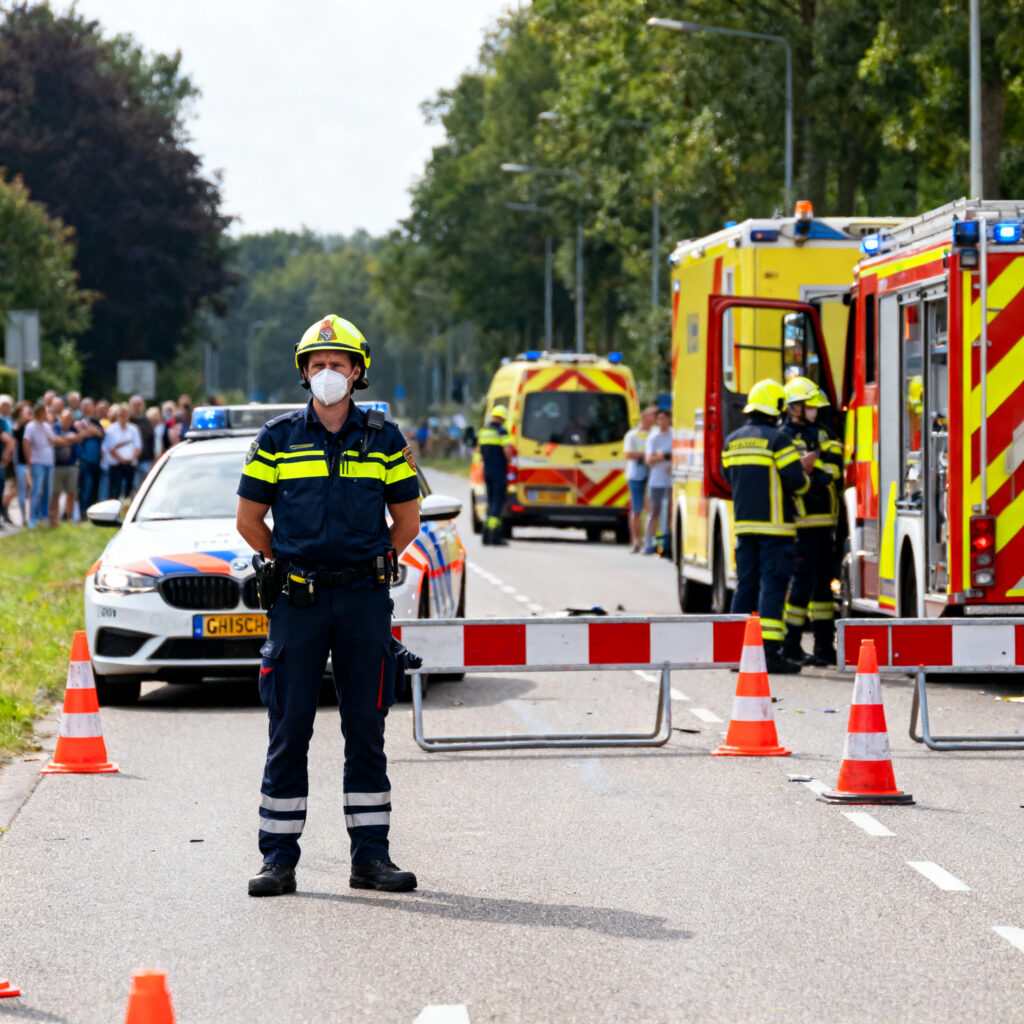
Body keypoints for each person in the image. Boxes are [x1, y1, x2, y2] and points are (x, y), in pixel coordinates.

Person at [236, 313, 421, 898]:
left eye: (337, 365)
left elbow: (407, 520)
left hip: (364, 600)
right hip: (298, 601)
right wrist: (290, 562)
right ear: (304, 374)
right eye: (316, 366)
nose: (326, 374)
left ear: (357, 371)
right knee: (289, 730)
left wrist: (371, 564)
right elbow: (249, 521)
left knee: (365, 729)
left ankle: (372, 859)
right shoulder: (277, 438)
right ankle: (277, 861)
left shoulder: (384, 440)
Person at [722, 378, 809, 674]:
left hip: (744, 528)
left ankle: (739, 652)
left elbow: (726, 477)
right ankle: (769, 654)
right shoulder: (778, 440)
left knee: (745, 587)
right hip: (775, 531)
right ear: (777, 409)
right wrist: (806, 472)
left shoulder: (732, 440)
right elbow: (795, 481)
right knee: (772, 589)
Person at [779, 377, 843, 666]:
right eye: (810, 405)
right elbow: (792, 474)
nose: (815, 410)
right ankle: (791, 645)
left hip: (825, 523)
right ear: (794, 407)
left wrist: (815, 470)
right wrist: (815, 472)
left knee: (823, 591)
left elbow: (835, 467)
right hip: (801, 524)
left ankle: (823, 647)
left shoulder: (824, 433)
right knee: (801, 586)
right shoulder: (785, 436)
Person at [477, 405, 513, 546]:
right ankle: (494, 536)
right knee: (497, 503)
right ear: (502, 418)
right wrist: (510, 459)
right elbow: (508, 452)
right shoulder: (502, 432)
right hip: (499, 471)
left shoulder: (483, 432)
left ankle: (486, 534)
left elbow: (479, 450)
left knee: (491, 501)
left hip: (487, 471)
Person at [624, 405, 656, 553]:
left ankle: (649, 541)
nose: (654, 418)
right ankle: (636, 541)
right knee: (636, 510)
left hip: (652, 475)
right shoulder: (632, 435)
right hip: (635, 475)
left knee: (651, 510)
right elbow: (628, 453)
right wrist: (645, 456)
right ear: (644, 418)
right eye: (652, 416)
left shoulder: (654, 434)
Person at [642, 407, 672, 555]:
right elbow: (649, 459)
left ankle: (666, 542)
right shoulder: (653, 437)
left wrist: (663, 456)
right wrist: (663, 457)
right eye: (659, 419)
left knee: (668, 513)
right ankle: (649, 543)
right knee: (654, 512)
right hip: (656, 480)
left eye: (665, 419)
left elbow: (676, 457)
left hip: (670, 480)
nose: (662, 422)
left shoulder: (673, 435)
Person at [23, 401, 55, 528]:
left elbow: (53, 440)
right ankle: (33, 517)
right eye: (44, 411)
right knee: (37, 490)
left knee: (47, 490)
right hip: (38, 462)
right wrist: (29, 459)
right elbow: (26, 442)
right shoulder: (30, 426)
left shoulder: (47, 426)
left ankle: (43, 515)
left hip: (49, 462)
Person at [102, 403, 142, 499]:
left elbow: (138, 446)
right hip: (116, 465)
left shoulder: (134, 429)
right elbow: (110, 448)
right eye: (121, 415)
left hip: (130, 465)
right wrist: (122, 459)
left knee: (129, 491)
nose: (123, 418)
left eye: (125, 415)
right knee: (116, 490)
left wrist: (132, 457)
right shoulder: (111, 429)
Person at [50, 408, 81, 524]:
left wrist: (68, 439)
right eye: (66, 418)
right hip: (57, 466)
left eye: (70, 419)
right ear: (60, 418)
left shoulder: (74, 428)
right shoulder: (54, 428)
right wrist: (70, 439)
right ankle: (55, 518)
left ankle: (69, 518)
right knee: (55, 493)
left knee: (72, 492)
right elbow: (54, 441)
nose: (68, 421)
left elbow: (79, 439)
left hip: (72, 465)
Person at [76, 398, 105, 513]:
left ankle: (93, 512)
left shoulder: (97, 422)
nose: (88, 409)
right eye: (85, 406)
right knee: (85, 488)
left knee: (95, 488)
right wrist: (92, 431)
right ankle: (84, 512)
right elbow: (80, 435)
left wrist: (88, 429)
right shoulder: (77, 421)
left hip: (97, 461)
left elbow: (100, 434)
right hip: (84, 460)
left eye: (90, 406)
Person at [129, 394, 156, 491]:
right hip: (129, 460)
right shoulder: (128, 420)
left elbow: (152, 440)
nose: (138, 408)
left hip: (145, 459)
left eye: (139, 405)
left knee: (145, 487)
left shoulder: (147, 421)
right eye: (135, 405)